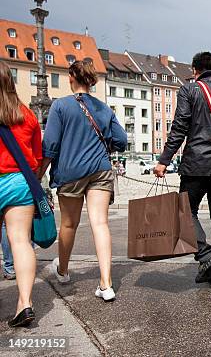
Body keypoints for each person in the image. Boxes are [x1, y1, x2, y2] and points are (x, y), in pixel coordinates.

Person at [154, 52, 211, 286]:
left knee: (184, 212)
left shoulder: (190, 90)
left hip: (195, 164)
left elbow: (179, 127)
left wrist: (165, 159)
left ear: (195, 70)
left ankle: (205, 255)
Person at [40, 61, 127, 302]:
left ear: (70, 78)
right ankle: (106, 284)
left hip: (70, 172)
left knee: (69, 224)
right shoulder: (104, 108)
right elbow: (121, 140)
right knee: (100, 223)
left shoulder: (60, 106)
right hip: (100, 169)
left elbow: (51, 146)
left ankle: (64, 271)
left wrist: (39, 175)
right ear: (90, 80)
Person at [0, 61, 41, 327]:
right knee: (20, 242)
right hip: (20, 181)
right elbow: (36, 158)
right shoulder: (27, 115)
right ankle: (24, 304)